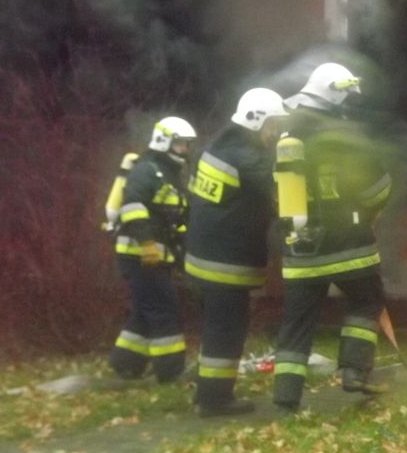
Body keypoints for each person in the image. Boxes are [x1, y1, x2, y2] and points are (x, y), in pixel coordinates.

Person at [273, 62, 393, 411]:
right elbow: (377, 188)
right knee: (366, 301)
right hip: (348, 244)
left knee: (297, 322)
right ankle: (354, 372)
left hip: (300, 248)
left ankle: (285, 396)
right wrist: (371, 209)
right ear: (337, 97)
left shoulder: (286, 135)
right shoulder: (347, 137)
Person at [185, 88, 289, 417]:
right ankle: (214, 400)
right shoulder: (247, 157)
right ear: (256, 120)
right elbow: (278, 189)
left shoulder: (218, 147)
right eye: (273, 124)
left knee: (216, 328)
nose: (276, 132)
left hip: (204, 255)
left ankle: (206, 391)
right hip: (225, 261)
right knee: (226, 330)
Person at [109, 116, 197, 383]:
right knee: (164, 308)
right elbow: (133, 207)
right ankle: (171, 370)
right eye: (180, 143)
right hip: (139, 254)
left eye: (187, 144)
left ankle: (126, 364)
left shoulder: (170, 175)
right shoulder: (146, 170)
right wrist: (147, 244)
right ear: (163, 141)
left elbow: (175, 219)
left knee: (143, 309)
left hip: (156, 256)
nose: (185, 149)